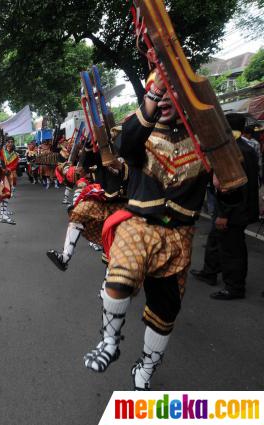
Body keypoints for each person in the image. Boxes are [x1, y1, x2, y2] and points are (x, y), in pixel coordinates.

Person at [82, 71, 215, 390]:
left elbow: (233, 184)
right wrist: (152, 98)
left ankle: (146, 368)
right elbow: (127, 143)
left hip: (179, 236)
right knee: (119, 279)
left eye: (172, 90)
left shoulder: (205, 138)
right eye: (158, 91)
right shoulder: (140, 132)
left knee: (165, 311)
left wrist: (226, 186)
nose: (165, 97)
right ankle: (110, 343)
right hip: (140, 224)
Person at [190, 113, 260, 300]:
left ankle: (235, 287)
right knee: (216, 239)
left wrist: (223, 214)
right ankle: (210, 272)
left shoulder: (233, 152)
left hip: (233, 210)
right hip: (240, 208)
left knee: (232, 249)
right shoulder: (246, 148)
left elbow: (231, 188)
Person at [48, 137, 128, 271]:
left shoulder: (129, 155)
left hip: (124, 206)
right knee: (78, 212)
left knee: (113, 253)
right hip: (102, 199)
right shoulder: (97, 154)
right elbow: (84, 166)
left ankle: (107, 291)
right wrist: (88, 148)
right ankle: (65, 257)